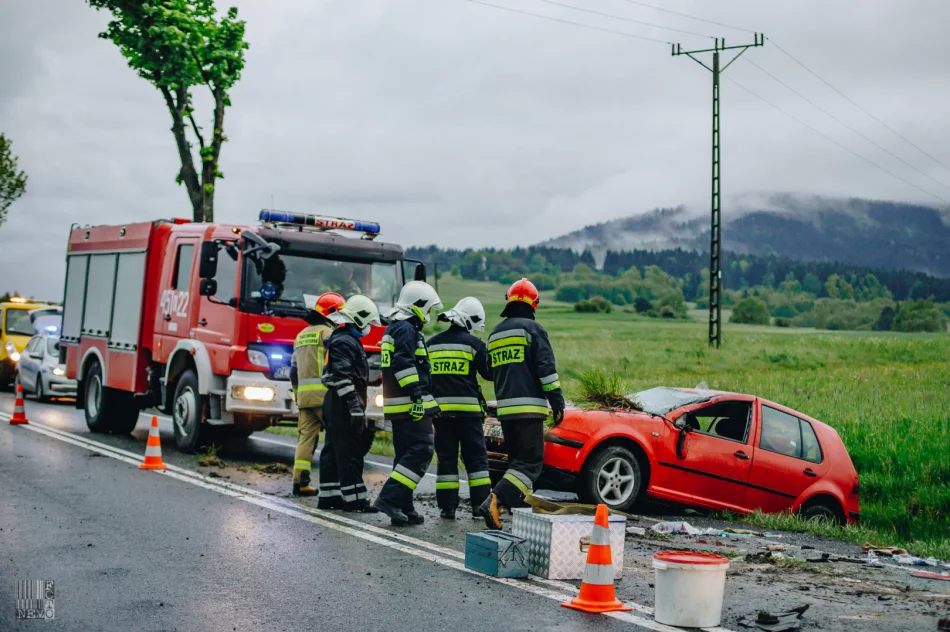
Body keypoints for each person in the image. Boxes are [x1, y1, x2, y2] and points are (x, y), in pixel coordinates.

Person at [479, 278, 565, 529]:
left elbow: (488, 371)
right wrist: (557, 403)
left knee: (517, 462)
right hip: (529, 410)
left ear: (509, 302)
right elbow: (546, 371)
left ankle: (513, 507)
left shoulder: (495, 333)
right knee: (530, 462)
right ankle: (494, 500)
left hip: (506, 411)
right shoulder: (534, 330)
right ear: (533, 304)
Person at [372, 281, 443, 526]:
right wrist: (417, 396)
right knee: (422, 449)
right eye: (429, 308)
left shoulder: (396, 327)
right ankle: (390, 499)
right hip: (409, 403)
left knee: (404, 455)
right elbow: (404, 364)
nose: (430, 314)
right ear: (419, 306)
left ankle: (404, 504)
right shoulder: (405, 329)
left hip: (398, 404)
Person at [427, 297, 493, 519]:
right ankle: (480, 506)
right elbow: (488, 373)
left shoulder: (432, 344)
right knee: (476, 459)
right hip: (468, 415)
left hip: (440, 414)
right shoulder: (474, 344)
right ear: (470, 321)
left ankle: (448, 508)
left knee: (446, 459)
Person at [321, 295, 382, 512]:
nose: (368, 329)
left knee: (333, 449)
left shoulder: (341, 339)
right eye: (367, 324)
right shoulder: (345, 342)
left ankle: (329, 496)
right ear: (358, 319)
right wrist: (354, 407)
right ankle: (355, 500)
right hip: (343, 402)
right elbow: (344, 377)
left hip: (336, 401)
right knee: (350, 451)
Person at [289, 292, 345, 497]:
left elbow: (293, 371)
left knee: (305, 440)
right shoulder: (328, 334)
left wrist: (297, 395)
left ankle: (300, 482)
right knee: (337, 438)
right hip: (325, 395)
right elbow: (336, 363)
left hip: (304, 397)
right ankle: (337, 485)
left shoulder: (301, 335)